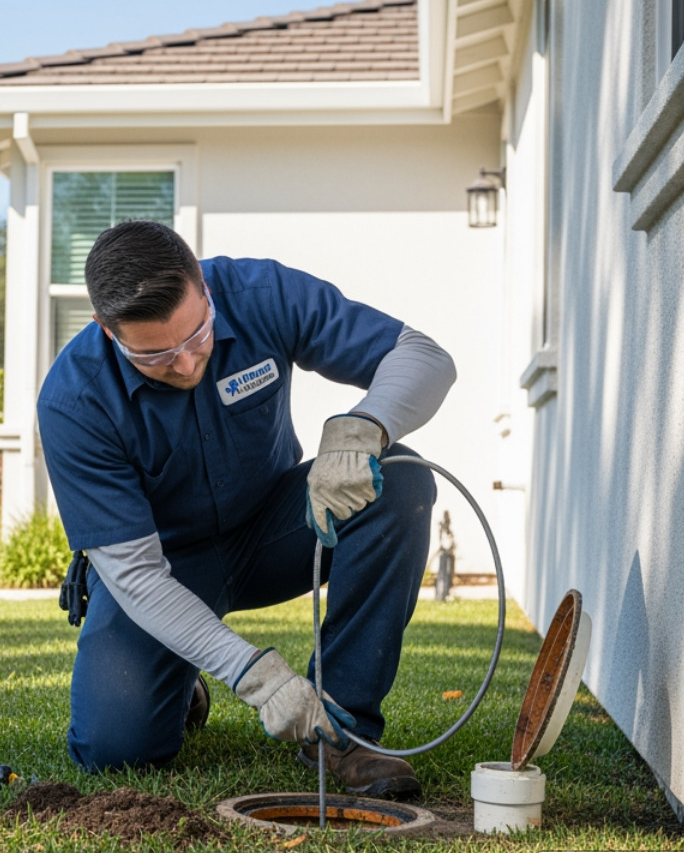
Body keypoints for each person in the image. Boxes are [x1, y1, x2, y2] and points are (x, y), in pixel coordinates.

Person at [36, 220, 456, 798]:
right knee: (114, 751)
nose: (186, 365)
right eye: (155, 355)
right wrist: (255, 677)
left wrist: (365, 427)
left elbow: (425, 356)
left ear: (204, 288)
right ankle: (181, 682)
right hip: (165, 568)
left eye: (197, 336)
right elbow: (135, 575)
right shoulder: (72, 401)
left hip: (275, 529)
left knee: (402, 480)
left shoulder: (261, 295)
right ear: (106, 330)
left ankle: (343, 731)